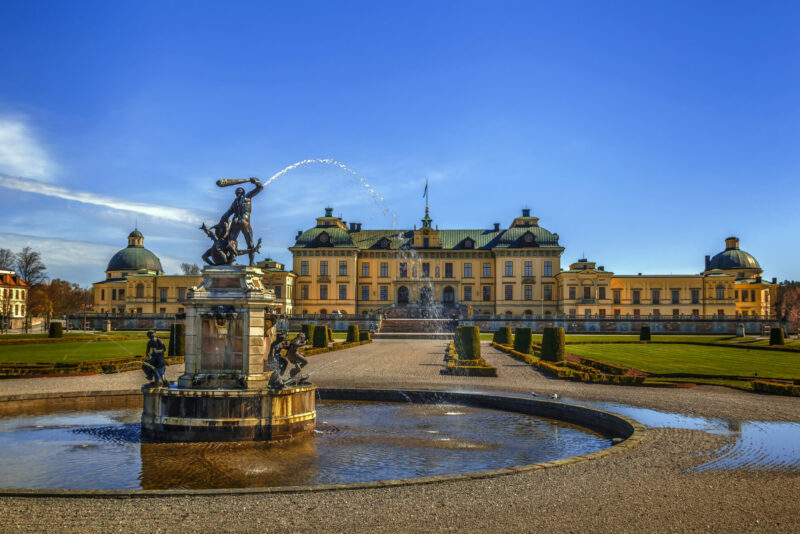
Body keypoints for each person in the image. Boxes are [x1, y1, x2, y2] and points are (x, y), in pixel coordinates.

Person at [218, 177, 263, 266]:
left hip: (235, 221)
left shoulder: (234, 203)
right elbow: (260, 187)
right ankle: (251, 262)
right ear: (243, 193)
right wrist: (256, 182)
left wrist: (221, 225)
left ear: (236, 194)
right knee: (250, 243)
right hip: (244, 221)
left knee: (231, 240)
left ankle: (232, 253)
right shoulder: (247, 197)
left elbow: (226, 215)